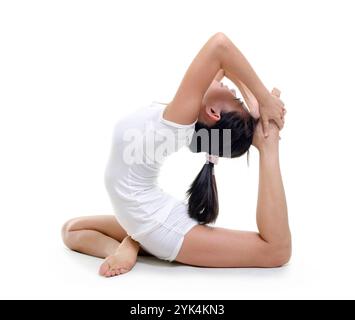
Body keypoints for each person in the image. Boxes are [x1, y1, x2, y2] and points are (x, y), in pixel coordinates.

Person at [61, 32, 291, 277]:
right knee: (71, 230)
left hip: (160, 226)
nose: (229, 86)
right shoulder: (185, 117)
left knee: (274, 251)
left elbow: (220, 46)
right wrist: (257, 103)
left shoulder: (179, 121)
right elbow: (224, 68)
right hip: (141, 215)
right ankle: (127, 244)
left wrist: (265, 104)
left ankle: (269, 147)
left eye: (233, 97)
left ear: (212, 112)